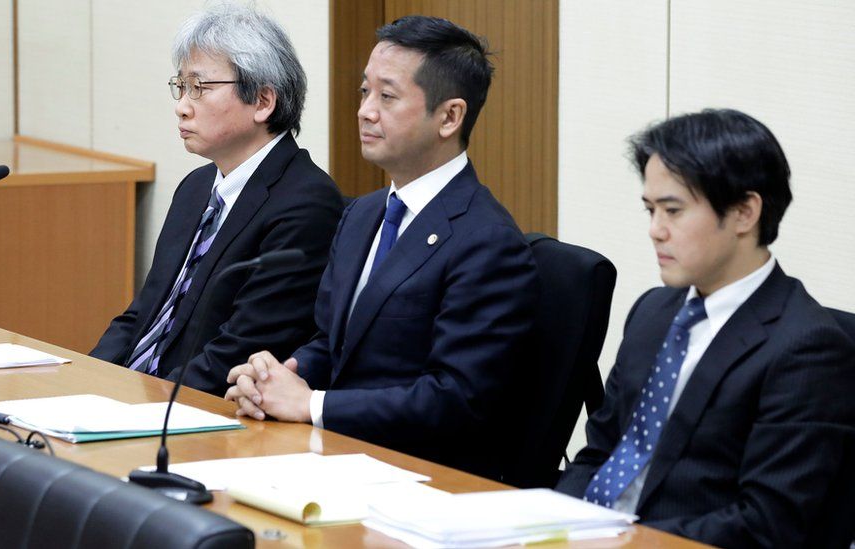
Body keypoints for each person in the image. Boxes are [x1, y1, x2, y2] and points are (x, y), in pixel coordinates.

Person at [224, 15, 538, 479]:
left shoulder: (487, 242)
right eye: (364, 92)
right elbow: (333, 345)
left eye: (387, 97)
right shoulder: (362, 214)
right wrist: (281, 376)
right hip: (332, 453)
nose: (366, 111)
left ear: (449, 117)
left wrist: (311, 404)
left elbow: (454, 399)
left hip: (418, 477)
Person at [556, 108, 855, 547]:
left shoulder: (807, 347)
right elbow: (598, 454)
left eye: (673, 211)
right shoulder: (653, 312)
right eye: (650, 210)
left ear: (744, 212)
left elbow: (767, 523)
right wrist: (550, 526)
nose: (656, 231)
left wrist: (623, 543)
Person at [90, 5, 342, 396]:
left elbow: (240, 349)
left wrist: (139, 406)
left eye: (200, 88)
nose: (182, 105)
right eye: (181, 87)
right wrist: (87, 383)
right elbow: (142, 314)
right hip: (141, 397)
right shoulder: (196, 187)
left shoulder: (306, 204)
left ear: (263, 101)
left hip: (197, 412)